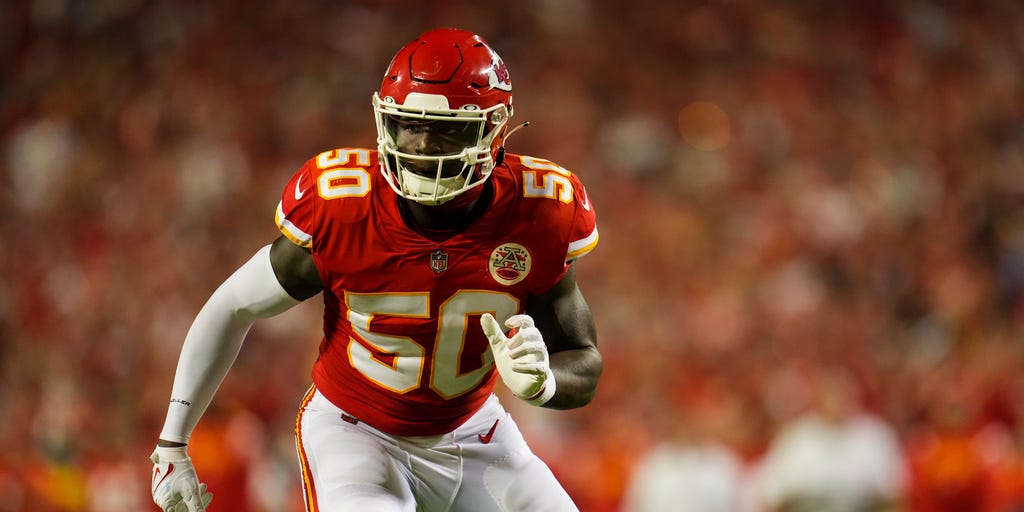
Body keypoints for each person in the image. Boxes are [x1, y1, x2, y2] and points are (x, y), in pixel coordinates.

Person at [148, 27, 603, 512]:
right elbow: (232, 306)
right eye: (410, 124)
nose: (424, 145)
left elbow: (583, 358)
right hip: (356, 431)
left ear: (493, 128)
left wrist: (543, 383)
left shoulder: (541, 210)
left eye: (447, 127)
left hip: (475, 430)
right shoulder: (344, 206)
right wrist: (172, 443)